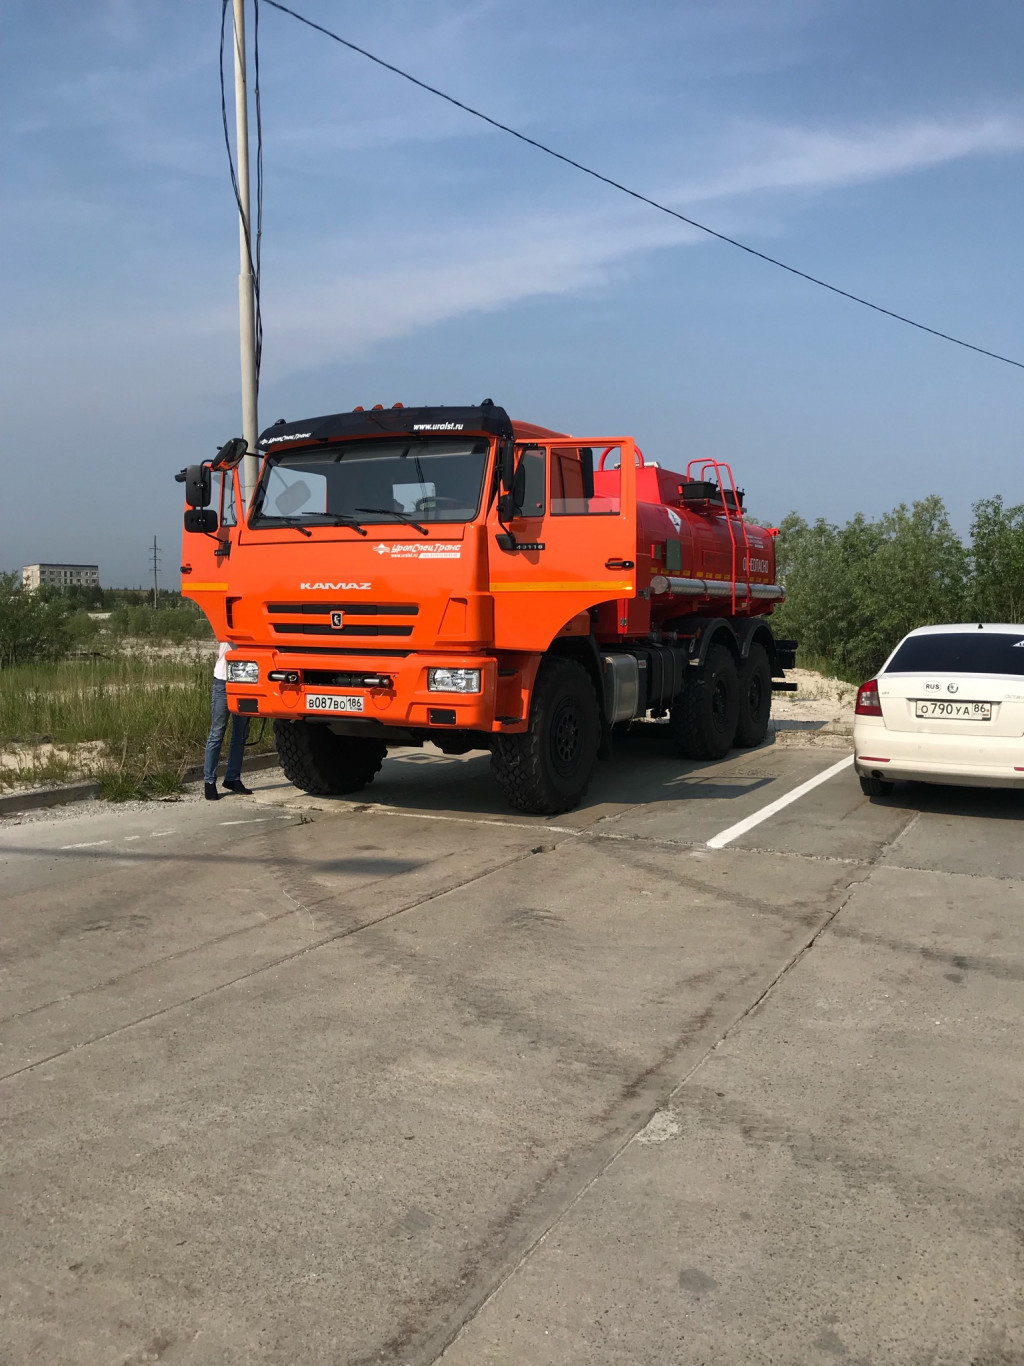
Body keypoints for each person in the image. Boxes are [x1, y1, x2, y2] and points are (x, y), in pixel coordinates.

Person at [203, 642, 252, 800]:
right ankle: (209, 781)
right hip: (224, 680)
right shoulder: (228, 620)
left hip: (246, 679)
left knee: (240, 734)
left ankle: (233, 778)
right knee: (217, 733)